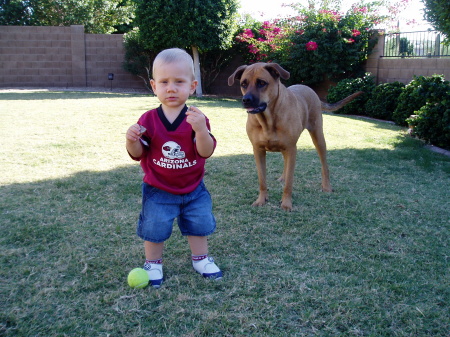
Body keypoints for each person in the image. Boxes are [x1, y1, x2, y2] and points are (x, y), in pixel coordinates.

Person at [126, 48, 222, 288]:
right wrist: (131, 141)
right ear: (154, 85)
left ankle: (200, 259)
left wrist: (201, 130)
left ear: (192, 86)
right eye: (164, 82)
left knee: (198, 224)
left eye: (179, 82)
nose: (171, 88)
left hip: (193, 188)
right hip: (159, 189)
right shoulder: (148, 119)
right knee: (154, 226)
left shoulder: (197, 117)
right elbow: (138, 155)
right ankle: (153, 263)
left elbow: (205, 151)